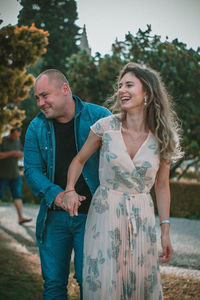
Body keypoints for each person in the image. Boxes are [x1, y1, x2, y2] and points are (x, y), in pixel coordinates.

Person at [64, 62, 183, 299]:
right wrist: (69, 190)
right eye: (119, 86)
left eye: (129, 85)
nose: (121, 90)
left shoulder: (163, 137)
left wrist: (165, 230)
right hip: (105, 213)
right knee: (104, 281)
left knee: (139, 282)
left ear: (147, 92)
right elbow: (78, 161)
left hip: (142, 216)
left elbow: (161, 186)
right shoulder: (105, 127)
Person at [23, 69, 111, 300]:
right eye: (37, 98)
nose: (40, 103)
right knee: (53, 285)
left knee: (90, 283)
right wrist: (57, 195)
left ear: (65, 89)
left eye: (45, 95)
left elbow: (118, 165)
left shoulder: (100, 117)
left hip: (93, 218)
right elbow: (31, 170)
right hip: (53, 217)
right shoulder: (36, 126)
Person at [0, 127, 32, 225]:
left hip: (15, 175)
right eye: (15, 135)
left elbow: (21, 152)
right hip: (2, 175)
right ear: (11, 132)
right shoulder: (2, 140)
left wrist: (21, 154)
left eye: (18, 135)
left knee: (17, 195)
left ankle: (21, 218)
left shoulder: (17, 140)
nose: (17, 137)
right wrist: (13, 153)